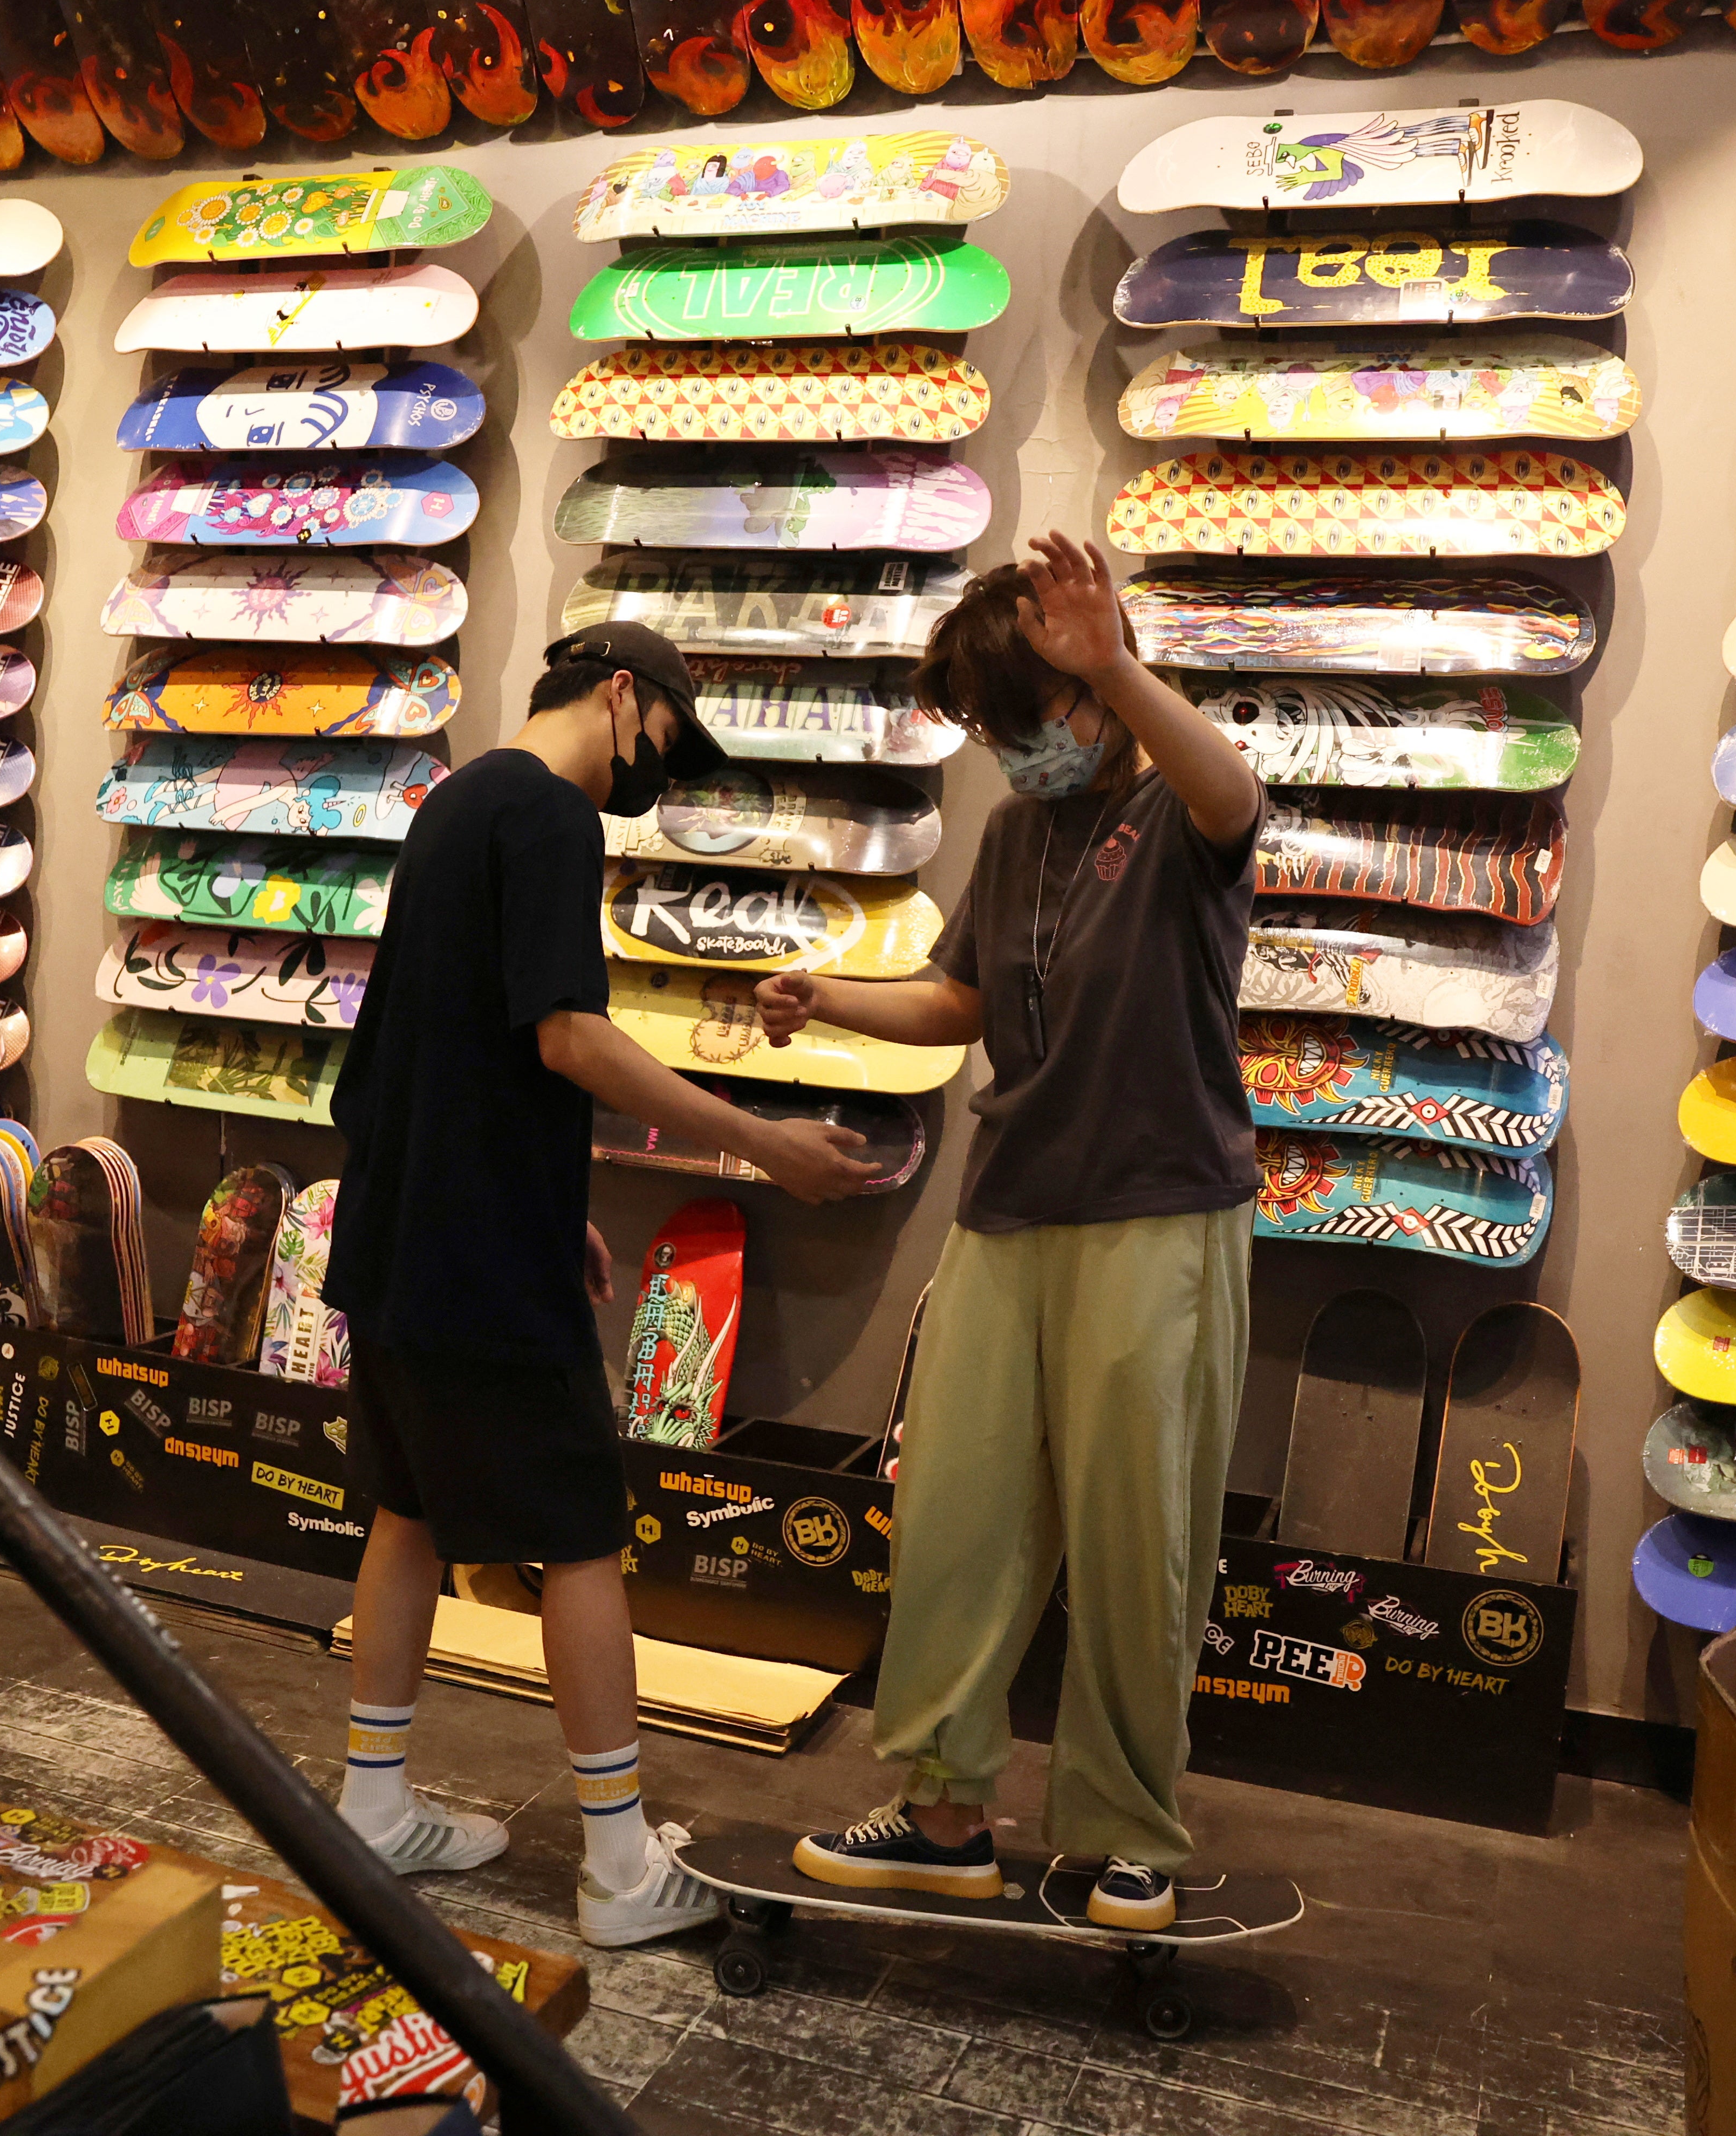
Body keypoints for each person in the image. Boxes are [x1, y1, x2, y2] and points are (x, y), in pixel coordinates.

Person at [322, 621, 882, 1946]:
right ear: (624, 696)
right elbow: (568, 1036)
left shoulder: (455, 802)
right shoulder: (557, 817)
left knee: (408, 1510)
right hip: (478, 1257)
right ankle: (623, 1867)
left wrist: (557, 1202)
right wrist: (762, 1142)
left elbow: (453, 1042)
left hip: (401, 1228)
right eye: (671, 739)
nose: (665, 773)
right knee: (578, 1537)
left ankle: (373, 1801)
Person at [769, 530, 1263, 1931]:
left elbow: (1240, 792)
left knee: (1137, 1535)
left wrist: (1118, 662)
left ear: (1089, 692)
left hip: (1161, 1210)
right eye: (991, 726)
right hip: (1011, 1206)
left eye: (1025, 713)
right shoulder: (1011, 834)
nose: (1011, 747)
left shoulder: (1177, 813)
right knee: (958, 1515)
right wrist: (829, 999)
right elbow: (959, 1005)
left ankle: (1129, 1832)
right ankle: (941, 1813)